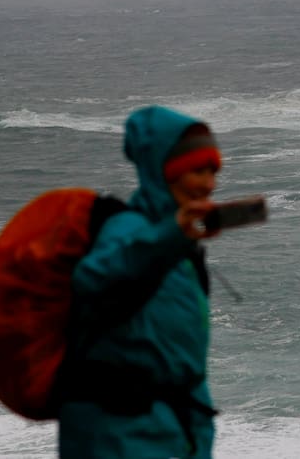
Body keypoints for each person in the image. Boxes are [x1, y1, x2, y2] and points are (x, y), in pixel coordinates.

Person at [57, 106, 225, 459]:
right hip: (122, 434)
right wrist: (169, 237)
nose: (209, 183)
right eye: (197, 171)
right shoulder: (128, 230)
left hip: (174, 430)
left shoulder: (179, 244)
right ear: (165, 172)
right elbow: (92, 279)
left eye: (213, 171)